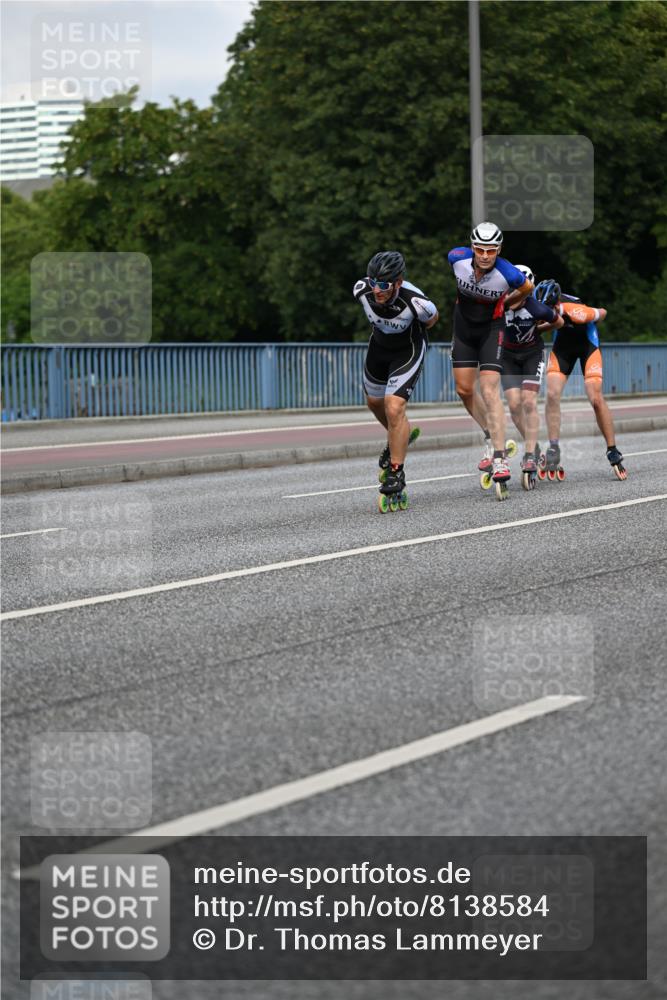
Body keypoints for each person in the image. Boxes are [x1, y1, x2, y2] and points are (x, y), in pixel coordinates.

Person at [447, 222, 533, 498]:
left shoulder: (507, 273)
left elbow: (528, 287)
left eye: (491, 250)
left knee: (489, 391)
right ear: (472, 248)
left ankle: (499, 457)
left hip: (491, 331)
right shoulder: (456, 258)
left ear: (499, 249)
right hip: (463, 330)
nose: (485, 255)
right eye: (480, 249)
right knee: (463, 390)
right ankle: (489, 433)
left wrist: (506, 302)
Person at [353, 251, 439, 511]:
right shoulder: (361, 290)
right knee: (374, 402)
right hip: (379, 348)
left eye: (384, 285)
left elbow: (432, 322)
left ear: (398, 283)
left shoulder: (418, 303)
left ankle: (396, 471)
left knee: (394, 406)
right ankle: (398, 437)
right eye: (374, 283)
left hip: (408, 350)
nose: (377, 290)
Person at [534, 279, 627, 480]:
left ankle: (612, 449)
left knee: (594, 398)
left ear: (557, 305)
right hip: (563, 349)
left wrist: (594, 316)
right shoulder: (541, 307)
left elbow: (603, 312)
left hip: (587, 346)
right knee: (551, 394)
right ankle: (554, 448)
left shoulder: (576, 310)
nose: (543, 314)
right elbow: (539, 326)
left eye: (547, 310)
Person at [502, 265, 564, 489]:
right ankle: (535, 446)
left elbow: (559, 322)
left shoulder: (537, 308)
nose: (514, 294)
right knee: (514, 405)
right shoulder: (500, 306)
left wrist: (539, 330)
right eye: (511, 289)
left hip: (532, 355)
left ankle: (529, 455)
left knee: (529, 401)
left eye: (519, 290)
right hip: (507, 357)